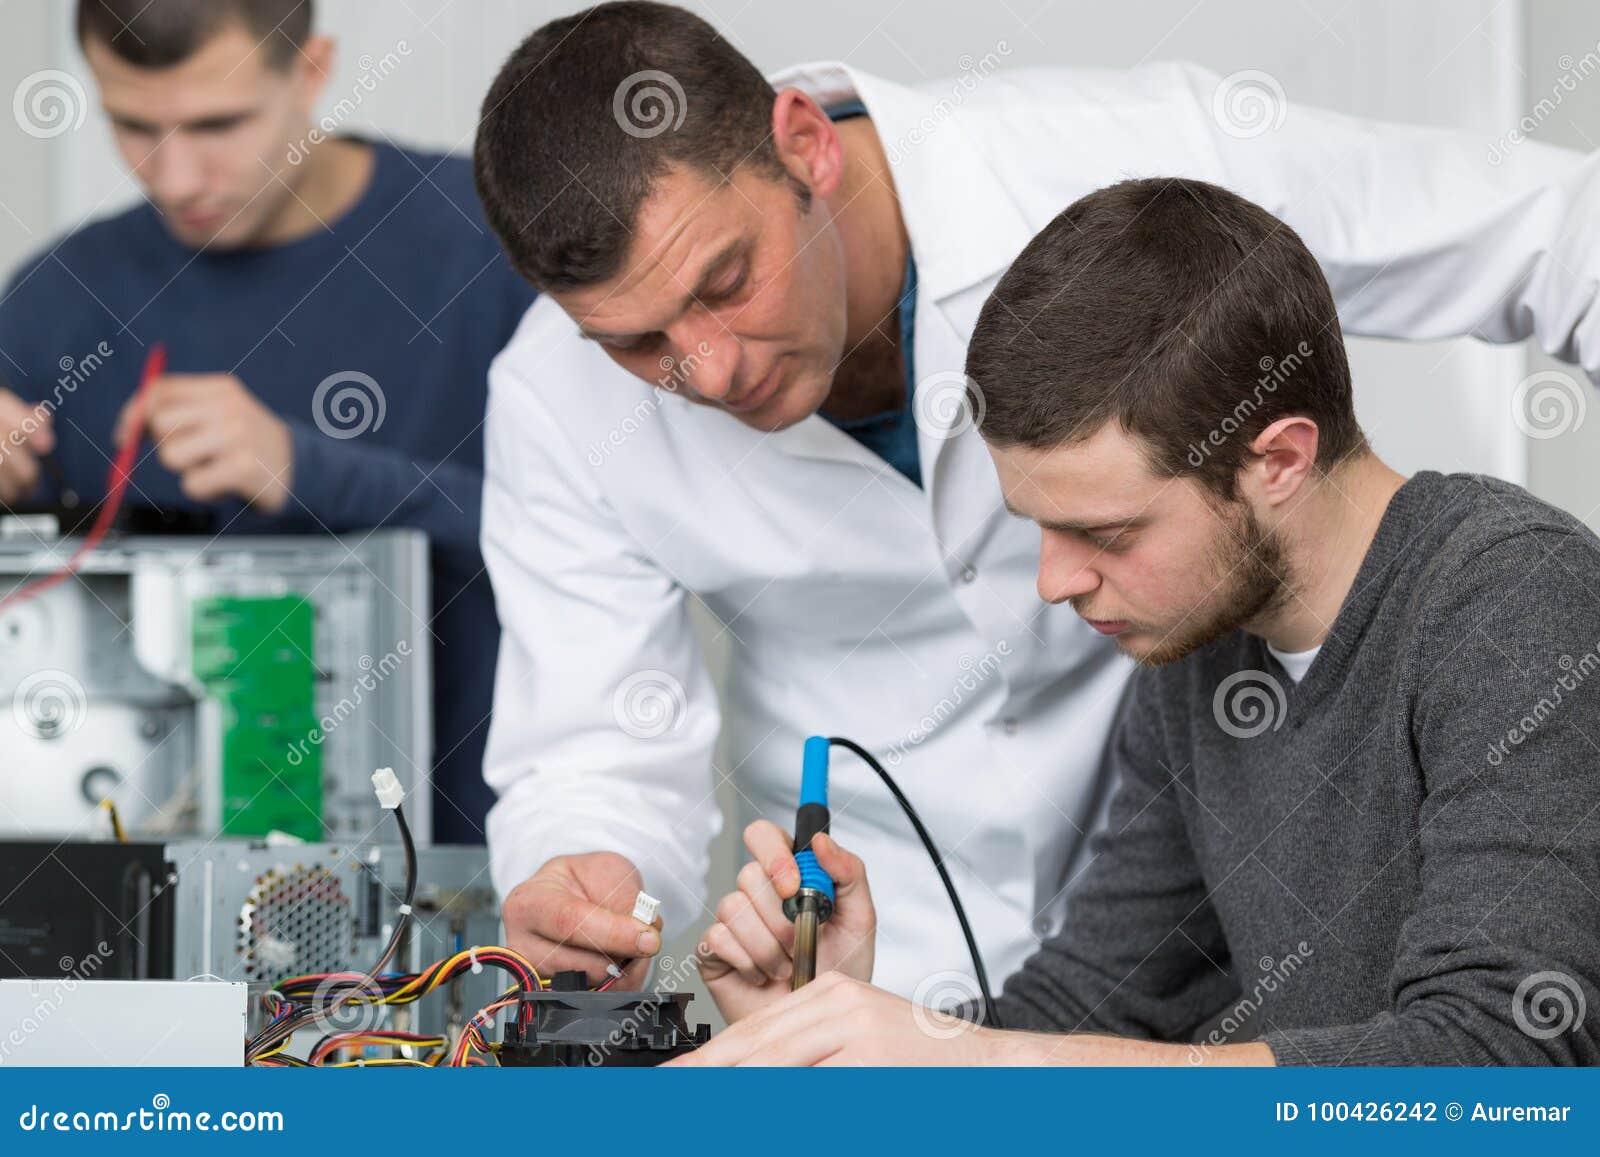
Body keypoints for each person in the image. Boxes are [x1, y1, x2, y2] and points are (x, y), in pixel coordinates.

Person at [473, 0, 1600, 994]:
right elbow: (595, 743)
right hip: (901, 954)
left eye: (726, 282)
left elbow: (1557, 233)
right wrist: (589, 866)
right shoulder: (552, 395)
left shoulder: (1123, 173)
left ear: (804, 143)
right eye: (636, 341)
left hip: (1202, 928)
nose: (706, 369)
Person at [675, 178, 1600, 1066]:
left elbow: (1504, 1062)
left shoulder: (1517, 600)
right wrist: (835, 1027)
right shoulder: (1199, 649)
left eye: (1104, 531)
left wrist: (990, 1066)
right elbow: (1089, 1010)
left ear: (1277, 459)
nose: (1053, 581)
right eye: (1037, 526)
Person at [0, 0, 533, 841]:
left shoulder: (496, 247)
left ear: (311, 70)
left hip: (473, 894)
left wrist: (308, 470)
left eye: (218, 124)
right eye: (132, 124)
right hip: (121, 926)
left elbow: (614, 551)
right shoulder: (57, 304)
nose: (174, 177)